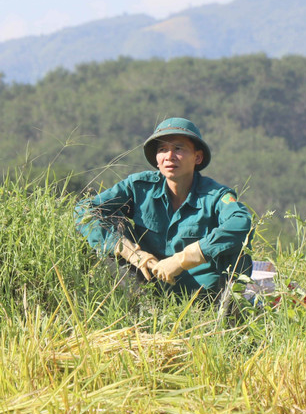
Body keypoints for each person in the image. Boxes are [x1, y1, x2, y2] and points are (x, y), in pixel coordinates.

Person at [75, 117, 253, 300]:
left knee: (239, 243)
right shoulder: (138, 187)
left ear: (197, 157)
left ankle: (230, 313)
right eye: (162, 150)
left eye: (178, 148)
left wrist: (182, 260)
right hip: (147, 288)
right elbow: (85, 210)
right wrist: (130, 251)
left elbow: (241, 222)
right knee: (105, 221)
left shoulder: (214, 195)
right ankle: (131, 305)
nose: (169, 156)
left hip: (204, 294)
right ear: (157, 159)